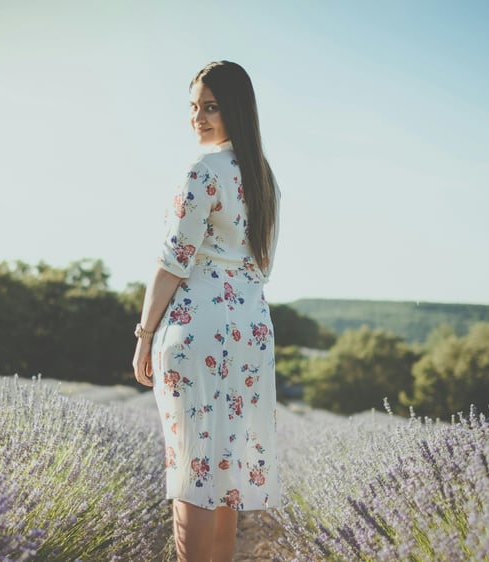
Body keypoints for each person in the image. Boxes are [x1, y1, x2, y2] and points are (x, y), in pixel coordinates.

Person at [132, 60, 281, 562]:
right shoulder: (265, 179)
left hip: (198, 330)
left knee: (194, 470)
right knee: (226, 469)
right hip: (250, 330)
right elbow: (262, 266)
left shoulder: (203, 171)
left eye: (211, 107)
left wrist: (143, 333)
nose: (198, 117)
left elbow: (173, 262)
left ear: (236, 110)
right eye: (194, 106)